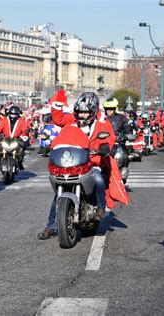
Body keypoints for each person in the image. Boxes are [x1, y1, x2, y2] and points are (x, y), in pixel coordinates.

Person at [38, 91, 128, 240]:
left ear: (93, 111)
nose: (82, 115)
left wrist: (106, 147)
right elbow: (59, 119)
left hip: (93, 160)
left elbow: (109, 137)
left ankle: (100, 207)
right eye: (80, 112)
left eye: (86, 113)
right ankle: (51, 226)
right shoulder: (72, 120)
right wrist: (57, 104)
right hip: (73, 162)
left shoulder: (103, 122)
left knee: (98, 178)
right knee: (59, 192)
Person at [0, 105, 28, 170]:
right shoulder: (5, 119)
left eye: (15, 114)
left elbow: (24, 129)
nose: (13, 116)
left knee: (22, 149)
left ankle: (19, 162)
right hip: (6, 139)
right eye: (11, 114)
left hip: (16, 139)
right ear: (9, 114)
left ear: (18, 115)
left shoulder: (21, 120)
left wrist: (24, 134)